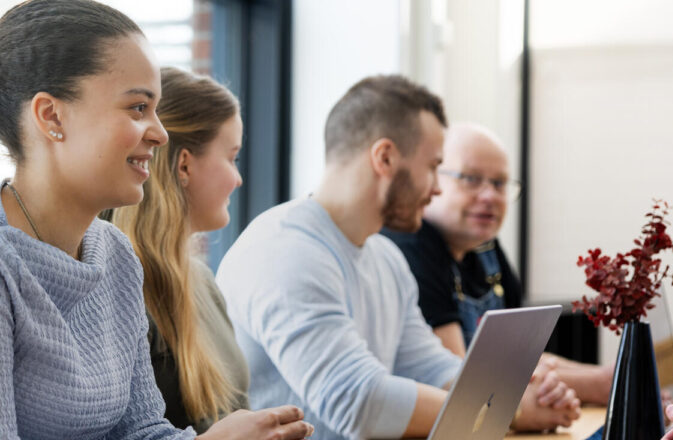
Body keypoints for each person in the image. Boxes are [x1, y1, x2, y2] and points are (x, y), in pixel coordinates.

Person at [0, 1, 313, 439]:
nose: (160, 133)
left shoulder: (115, 254)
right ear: (51, 116)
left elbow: (142, 431)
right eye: (138, 108)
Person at [215, 75, 581, 439]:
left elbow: (430, 367)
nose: (437, 187)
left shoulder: (386, 258)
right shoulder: (286, 252)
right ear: (385, 157)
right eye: (433, 167)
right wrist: (506, 411)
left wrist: (510, 393)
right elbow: (357, 402)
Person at [381, 123, 614, 404]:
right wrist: (603, 385)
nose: (489, 196)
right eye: (470, 178)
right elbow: (461, 381)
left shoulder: (485, 247)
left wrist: (607, 377)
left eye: (500, 183)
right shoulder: (409, 249)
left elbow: (519, 357)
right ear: (433, 180)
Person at [110, 67, 249, 433]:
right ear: (184, 163)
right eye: (232, 157)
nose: (238, 178)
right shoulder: (119, 289)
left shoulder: (202, 280)